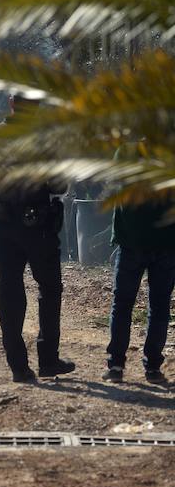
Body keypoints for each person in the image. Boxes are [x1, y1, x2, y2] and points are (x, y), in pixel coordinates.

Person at [0, 94, 75, 383]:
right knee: (50, 290)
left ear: (11, 103)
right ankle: (48, 360)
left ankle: (18, 367)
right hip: (39, 227)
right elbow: (59, 184)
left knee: (10, 290)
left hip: (5, 226)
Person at [103, 144, 175, 385]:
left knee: (122, 304)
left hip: (132, 242)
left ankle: (116, 365)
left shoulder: (126, 149)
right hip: (166, 241)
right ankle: (153, 367)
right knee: (159, 306)